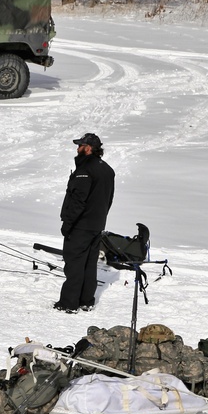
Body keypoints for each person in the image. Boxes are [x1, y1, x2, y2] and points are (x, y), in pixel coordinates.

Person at [55, 133, 115, 314]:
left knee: (74, 263)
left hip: (81, 225)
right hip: (96, 225)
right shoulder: (107, 170)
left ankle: (69, 303)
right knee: (89, 264)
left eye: (80, 145)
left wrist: (68, 223)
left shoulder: (85, 170)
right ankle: (86, 300)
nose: (77, 148)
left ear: (88, 148)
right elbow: (108, 200)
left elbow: (78, 200)